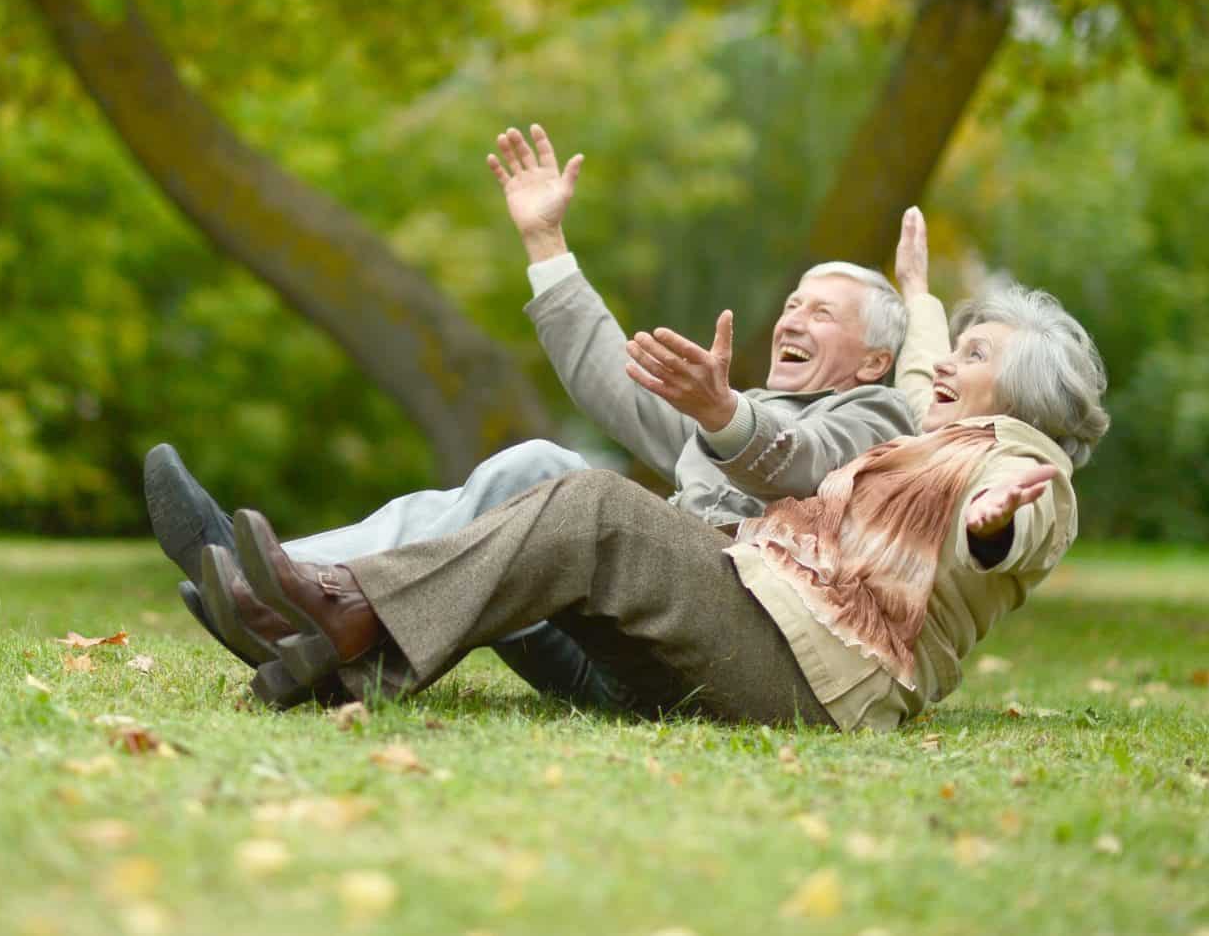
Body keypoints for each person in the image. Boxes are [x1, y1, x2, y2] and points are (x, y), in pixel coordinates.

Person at [201, 208, 1110, 731]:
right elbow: (919, 367)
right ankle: (325, 637)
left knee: (595, 505)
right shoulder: (926, 425)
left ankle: (339, 613)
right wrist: (920, 298)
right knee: (545, 489)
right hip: (755, 626)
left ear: (1018, 398)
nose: (947, 361)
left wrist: (992, 523)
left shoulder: (1017, 466)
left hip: (814, 667)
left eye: (974, 351)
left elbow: (1009, 525)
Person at [145, 123, 916, 706]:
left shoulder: (880, 421)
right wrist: (545, 239)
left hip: (684, 654)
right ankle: (274, 594)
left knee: (559, 484)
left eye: (822, 313)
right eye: (792, 304)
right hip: (610, 633)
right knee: (527, 471)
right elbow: (610, 383)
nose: (791, 319)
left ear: (874, 358)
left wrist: (726, 412)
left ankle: (277, 597)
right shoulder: (726, 423)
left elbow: (808, 459)